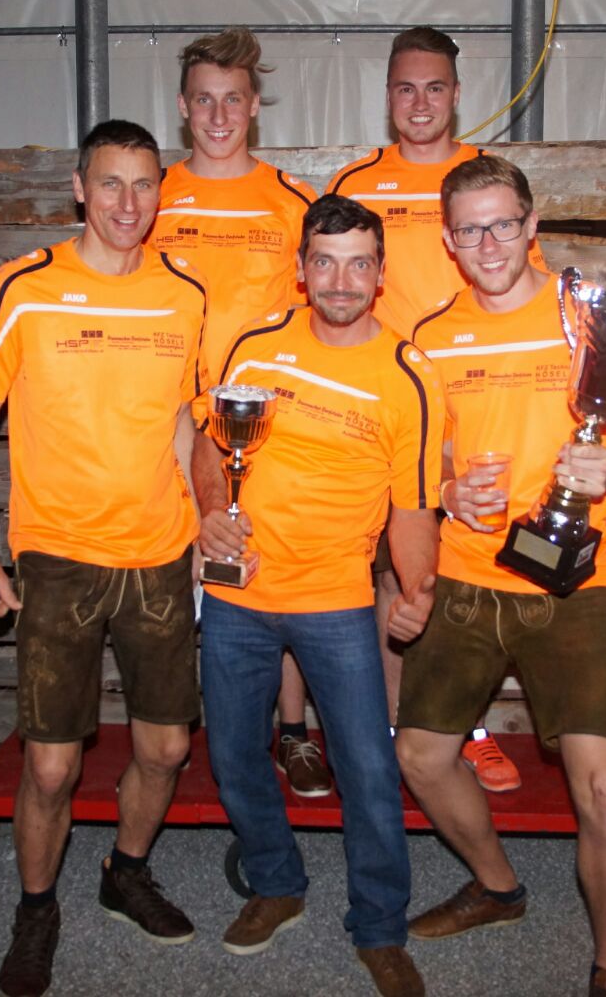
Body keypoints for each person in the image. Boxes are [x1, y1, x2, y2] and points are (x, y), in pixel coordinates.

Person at [398, 154, 606, 997]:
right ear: (448, 241)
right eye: (470, 229)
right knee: (420, 755)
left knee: (605, 789)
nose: (488, 243)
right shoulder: (430, 342)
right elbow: (419, 470)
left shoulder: (591, 326)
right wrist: (449, 492)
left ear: (532, 227)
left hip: (576, 585)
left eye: (503, 224)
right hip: (468, 577)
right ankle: (496, 886)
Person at [0, 119, 207, 997]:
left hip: (158, 556)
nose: (128, 203)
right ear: (79, 188)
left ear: (161, 190)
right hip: (56, 557)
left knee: (166, 748)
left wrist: (204, 525)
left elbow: (184, 424)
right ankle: (35, 910)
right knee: (52, 764)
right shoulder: (23, 286)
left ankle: (124, 871)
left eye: (144, 184)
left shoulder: (184, 295)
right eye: (110, 183)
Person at [193, 194, 443, 997]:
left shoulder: (408, 375)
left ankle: (380, 925)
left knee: (367, 768)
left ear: (380, 274)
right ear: (301, 271)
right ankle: (276, 883)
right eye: (325, 263)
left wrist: (417, 588)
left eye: (358, 263)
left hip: (337, 600)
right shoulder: (256, 346)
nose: (341, 280)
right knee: (234, 754)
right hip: (240, 594)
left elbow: (413, 507)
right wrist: (209, 513)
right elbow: (209, 445)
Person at [327, 25, 534, 793]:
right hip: (385, 413)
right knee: (393, 576)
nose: (420, 103)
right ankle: (391, 731)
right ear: (388, 97)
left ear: (456, 94)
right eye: (406, 88)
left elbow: (524, 291)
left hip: (473, 410)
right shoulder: (356, 183)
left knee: (463, 576)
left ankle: (463, 730)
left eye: (435, 87)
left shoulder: (483, 183)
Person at [151, 27, 332, 798]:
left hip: (267, 428)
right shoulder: (154, 197)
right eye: (204, 100)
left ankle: (292, 732)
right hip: (167, 422)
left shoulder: (293, 201)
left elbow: (321, 310)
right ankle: (176, 740)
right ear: (183, 107)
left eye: (233, 100)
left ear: (255, 106)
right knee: (178, 573)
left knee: (274, 573)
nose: (219, 116)